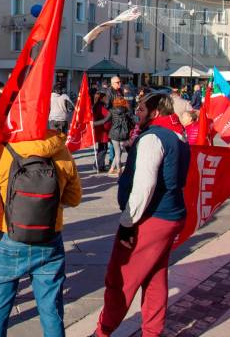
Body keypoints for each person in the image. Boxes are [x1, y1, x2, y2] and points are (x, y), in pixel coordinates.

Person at [94, 93, 190, 337]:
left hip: (152, 217)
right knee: (156, 278)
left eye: (142, 109)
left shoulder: (153, 138)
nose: (137, 112)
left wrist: (128, 222)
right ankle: (151, 331)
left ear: (155, 112)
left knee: (120, 278)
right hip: (171, 215)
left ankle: (103, 332)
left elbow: (144, 185)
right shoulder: (178, 134)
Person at [0, 130, 82, 336]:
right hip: (49, 238)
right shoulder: (61, 150)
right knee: (51, 312)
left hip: (8, 237)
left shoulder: (2, 151)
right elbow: (74, 198)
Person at [102, 97, 134, 177]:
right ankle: (112, 169)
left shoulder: (112, 111)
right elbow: (132, 121)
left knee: (117, 152)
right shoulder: (127, 111)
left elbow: (104, 121)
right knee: (118, 153)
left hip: (114, 134)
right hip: (124, 134)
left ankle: (118, 170)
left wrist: (93, 123)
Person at [92, 92, 112, 172]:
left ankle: (101, 165)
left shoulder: (97, 106)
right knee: (103, 148)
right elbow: (106, 116)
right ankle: (97, 165)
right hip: (102, 131)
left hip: (101, 130)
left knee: (102, 148)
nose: (106, 99)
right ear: (101, 98)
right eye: (105, 98)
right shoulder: (100, 107)